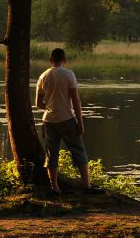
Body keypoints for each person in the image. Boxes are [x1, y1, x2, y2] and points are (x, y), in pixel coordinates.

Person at [36, 48, 103, 196]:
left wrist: (51, 107)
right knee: (79, 151)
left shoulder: (43, 76)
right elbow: (76, 100)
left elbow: (38, 104)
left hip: (49, 120)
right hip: (67, 119)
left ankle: (54, 188)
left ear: (50, 60)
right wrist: (80, 122)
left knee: (51, 154)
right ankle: (87, 186)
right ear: (64, 59)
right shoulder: (68, 74)